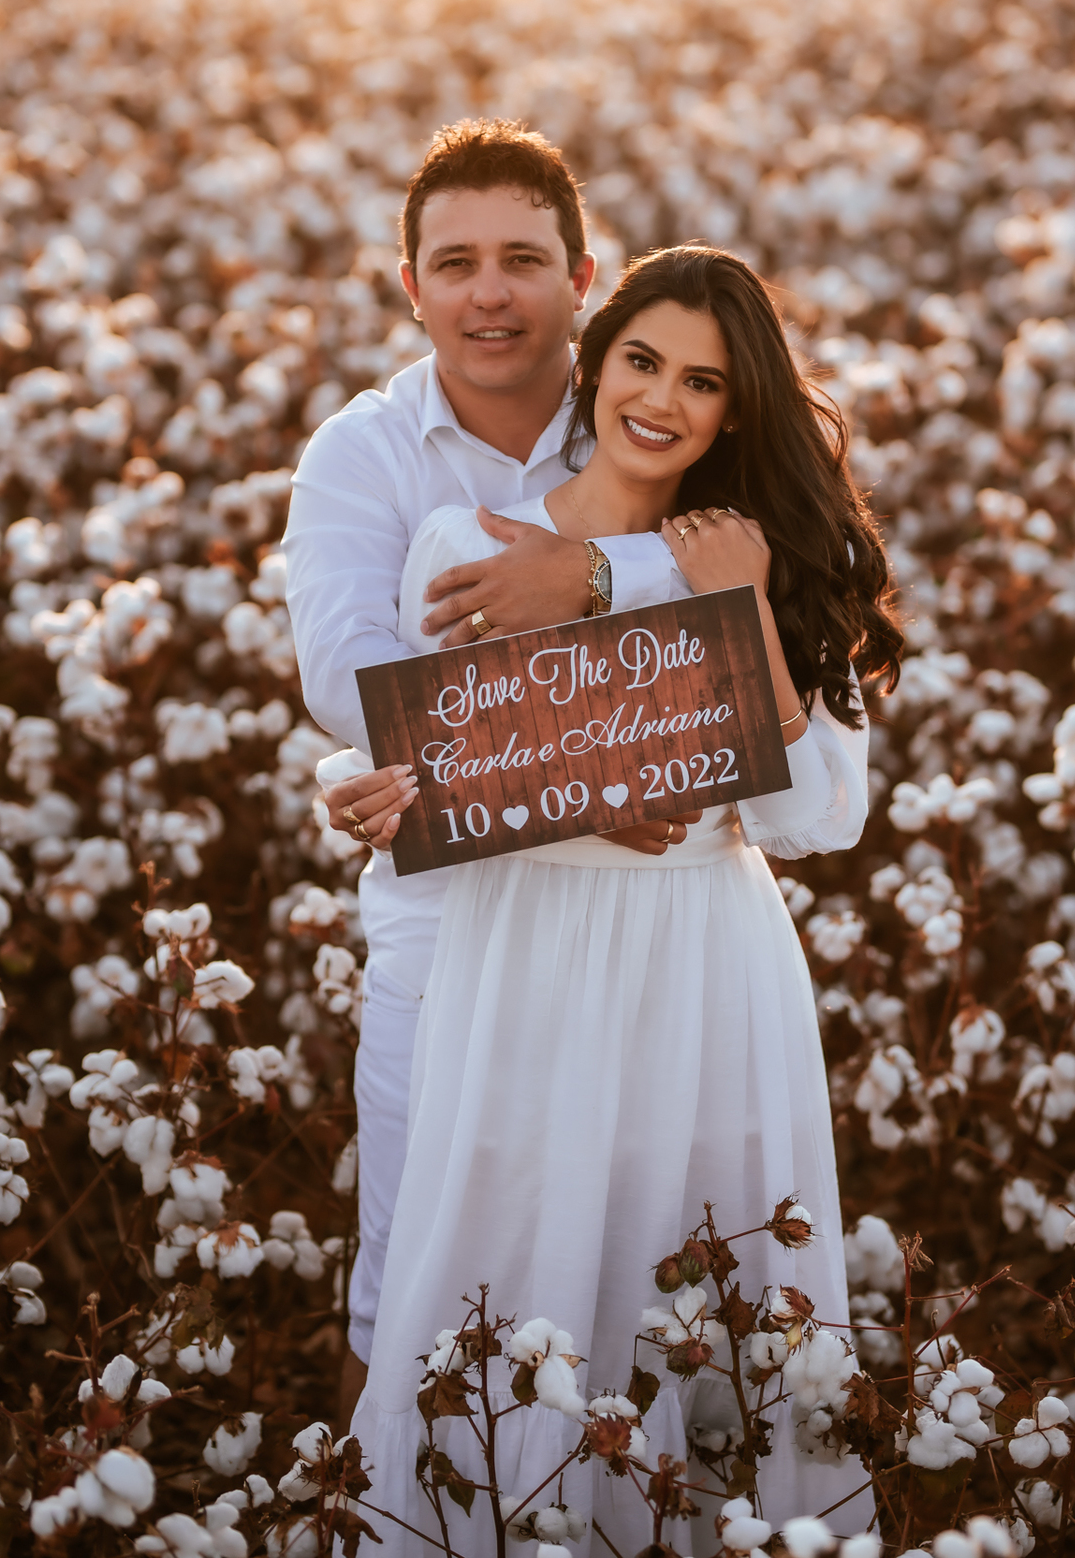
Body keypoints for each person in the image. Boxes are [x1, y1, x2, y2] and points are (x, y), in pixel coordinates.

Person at [342, 246, 902, 1552]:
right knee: (507, 1266)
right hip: (523, 952)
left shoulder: (775, 567)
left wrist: (740, 608)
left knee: (692, 1262)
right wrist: (361, 779)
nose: (662, 397)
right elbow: (432, 756)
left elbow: (816, 815)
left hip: (708, 954)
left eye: (702, 381)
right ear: (596, 368)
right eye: (642, 360)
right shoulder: (467, 546)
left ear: (736, 413)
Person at [283, 119, 694, 1424]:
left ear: (586, 276)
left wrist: (582, 571)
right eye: (454, 261)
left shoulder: (653, 411)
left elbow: (759, 589)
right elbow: (350, 678)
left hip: (633, 912)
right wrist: (581, 756)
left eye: (524, 257)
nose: (489, 291)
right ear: (410, 285)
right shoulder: (361, 452)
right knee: (407, 1261)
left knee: (636, 1262)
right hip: (444, 912)